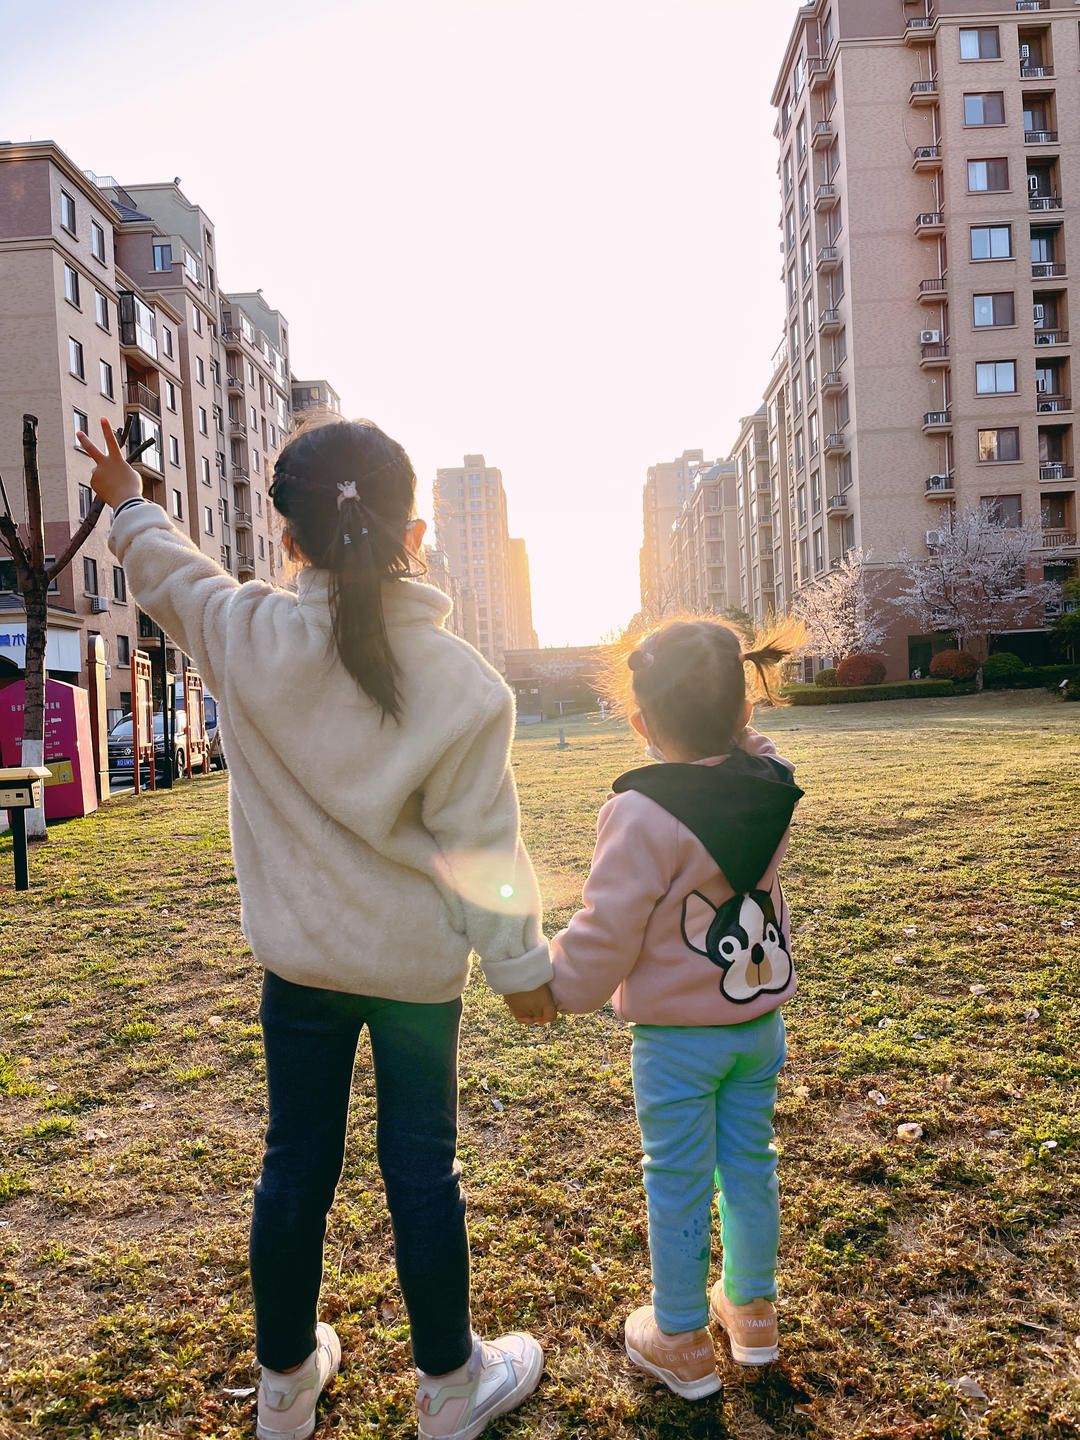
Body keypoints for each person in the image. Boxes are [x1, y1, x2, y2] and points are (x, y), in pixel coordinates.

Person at [77, 416, 553, 1440]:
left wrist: (126, 497)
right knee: (422, 1168)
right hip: (418, 977)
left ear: (287, 537)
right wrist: (518, 965)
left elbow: (169, 572)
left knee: (295, 1165)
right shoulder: (463, 681)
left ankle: (286, 1387)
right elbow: (485, 848)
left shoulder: (245, 636)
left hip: (299, 970)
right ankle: (448, 1388)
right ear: (414, 531)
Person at [546, 617, 805, 1400]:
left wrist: (557, 988)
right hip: (758, 1026)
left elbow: (605, 929)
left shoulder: (640, 813)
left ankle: (682, 1333)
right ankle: (752, 1311)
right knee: (750, 1164)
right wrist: (743, 729)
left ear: (640, 725)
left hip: (677, 1042)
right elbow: (760, 749)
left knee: (679, 1179)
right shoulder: (772, 785)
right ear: (745, 713)